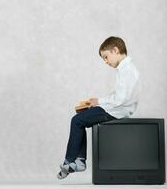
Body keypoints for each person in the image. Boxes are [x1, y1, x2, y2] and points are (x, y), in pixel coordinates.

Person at [57, 36, 141, 179]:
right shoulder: (125, 68)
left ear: (116, 50)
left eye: (106, 57)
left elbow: (121, 99)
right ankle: (79, 161)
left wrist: (100, 101)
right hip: (116, 108)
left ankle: (70, 161)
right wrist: (98, 102)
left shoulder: (127, 70)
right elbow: (118, 95)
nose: (106, 61)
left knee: (76, 121)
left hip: (117, 111)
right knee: (80, 119)